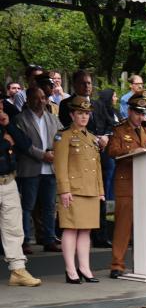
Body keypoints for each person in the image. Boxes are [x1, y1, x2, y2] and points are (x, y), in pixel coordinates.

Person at [106, 93, 146, 278]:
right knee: (123, 226)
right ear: (129, 111)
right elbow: (111, 150)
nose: (140, 117)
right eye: (137, 113)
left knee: (143, 225)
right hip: (126, 183)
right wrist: (132, 150)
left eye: (143, 113)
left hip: (144, 183)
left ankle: (142, 263)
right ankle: (117, 265)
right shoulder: (120, 130)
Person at [61, 71, 114, 248]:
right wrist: (92, 137)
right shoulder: (66, 104)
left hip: (100, 155)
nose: (87, 86)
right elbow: (67, 127)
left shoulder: (98, 104)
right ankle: (79, 233)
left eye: (90, 83)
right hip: (77, 157)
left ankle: (100, 234)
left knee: (101, 195)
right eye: (83, 83)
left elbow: (109, 123)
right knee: (79, 199)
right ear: (75, 84)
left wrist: (106, 136)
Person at [53, 96, 103, 284]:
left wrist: (100, 190)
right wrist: (64, 190)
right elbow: (60, 165)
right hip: (73, 190)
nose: (84, 117)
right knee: (70, 229)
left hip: (90, 190)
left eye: (87, 113)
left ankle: (84, 268)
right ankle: (70, 270)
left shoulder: (91, 138)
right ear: (72, 114)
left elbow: (97, 167)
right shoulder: (63, 135)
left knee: (86, 231)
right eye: (80, 113)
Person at [16, 86, 63, 254]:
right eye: (36, 98)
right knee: (27, 206)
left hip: (50, 170)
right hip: (30, 169)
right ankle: (25, 240)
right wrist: (42, 155)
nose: (41, 101)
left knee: (50, 206)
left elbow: (61, 136)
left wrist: (55, 150)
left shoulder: (52, 118)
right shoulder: (20, 119)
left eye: (43, 97)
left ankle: (49, 239)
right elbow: (22, 144)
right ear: (28, 100)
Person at [0, 99, 41, 286]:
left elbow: (25, 144)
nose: (1, 108)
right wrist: (5, 143)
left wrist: (9, 126)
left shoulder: (6, 122)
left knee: (14, 229)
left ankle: (17, 270)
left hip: (8, 180)